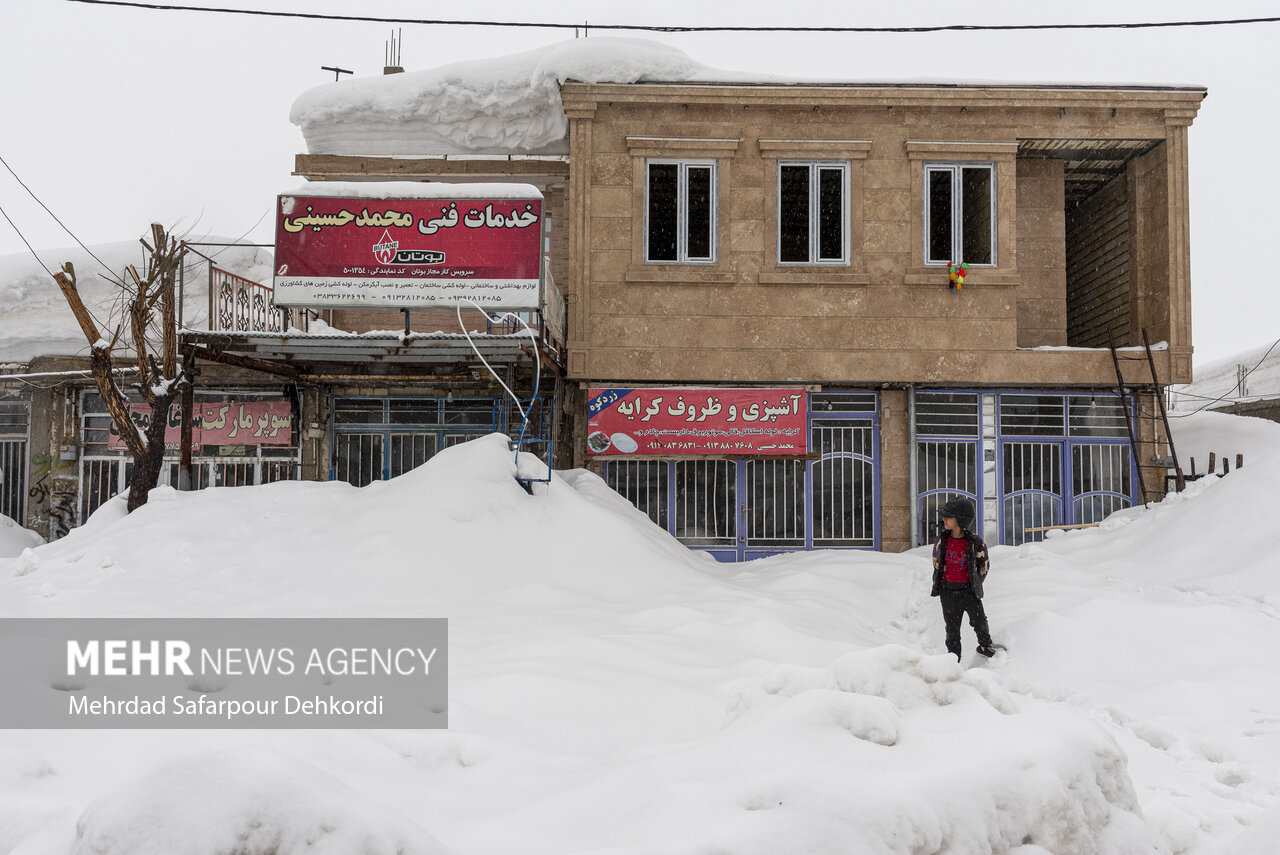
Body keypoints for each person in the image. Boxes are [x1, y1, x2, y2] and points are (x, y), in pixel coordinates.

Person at [929, 497, 998, 661]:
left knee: (979, 621)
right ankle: (953, 661)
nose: (943, 519)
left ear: (961, 519)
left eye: (948, 516)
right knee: (952, 631)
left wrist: (974, 583)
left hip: (968, 591)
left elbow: (984, 565)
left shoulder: (975, 542)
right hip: (948, 592)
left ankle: (984, 646)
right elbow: (936, 561)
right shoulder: (941, 540)